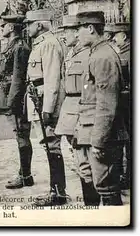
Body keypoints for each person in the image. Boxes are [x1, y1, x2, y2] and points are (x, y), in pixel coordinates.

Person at [74, 11, 126, 205]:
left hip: (104, 134)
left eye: (78, 29)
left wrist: (98, 141)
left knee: (106, 186)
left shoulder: (103, 57)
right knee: (94, 181)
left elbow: (106, 104)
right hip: (91, 129)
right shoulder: (97, 53)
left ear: (90, 28)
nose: (76, 34)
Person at [24, 9, 67, 206]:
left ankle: (58, 193)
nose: (27, 27)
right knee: (47, 145)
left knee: (51, 145)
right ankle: (55, 190)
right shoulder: (41, 43)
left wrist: (48, 108)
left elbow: (51, 79)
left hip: (44, 103)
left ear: (39, 25)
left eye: (29, 24)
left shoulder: (49, 44)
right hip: (38, 100)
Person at [55, 15, 95, 203]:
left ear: (78, 32)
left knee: (87, 162)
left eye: (67, 31)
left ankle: (95, 206)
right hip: (70, 112)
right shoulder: (71, 54)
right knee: (79, 160)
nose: (63, 36)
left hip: (83, 113)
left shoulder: (88, 54)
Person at [0, 14, 32, 189]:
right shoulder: (13, 46)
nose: (2, 28)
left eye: (5, 25)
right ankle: (25, 174)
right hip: (11, 95)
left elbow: (18, 78)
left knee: (22, 137)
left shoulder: (19, 47)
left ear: (11, 28)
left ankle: (25, 176)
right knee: (20, 136)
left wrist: (12, 102)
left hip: (17, 99)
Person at [104, 22, 131, 190]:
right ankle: (123, 175)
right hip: (123, 105)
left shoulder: (129, 53)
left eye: (117, 35)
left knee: (129, 143)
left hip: (128, 105)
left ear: (125, 36)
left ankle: (128, 178)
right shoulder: (120, 52)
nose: (114, 38)